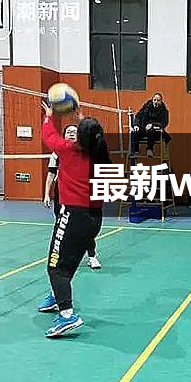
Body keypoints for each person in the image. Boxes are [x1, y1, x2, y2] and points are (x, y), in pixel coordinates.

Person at [37, 102, 111, 338]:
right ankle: (56, 297)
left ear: (79, 136)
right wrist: (82, 120)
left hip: (73, 216)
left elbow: (48, 136)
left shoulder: (68, 150)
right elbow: (95, 138)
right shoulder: (101, 152)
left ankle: (67, 315)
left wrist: (49, 116)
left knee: (55, 267)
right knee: (69, 263)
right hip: (94, 218)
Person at [43, 124, 101, 270]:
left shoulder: (86, 151)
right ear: (64, 136)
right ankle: (63, 258)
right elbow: (51, 174)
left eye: (74, 132)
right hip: (62, 195)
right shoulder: (57, 153)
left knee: (85, 227)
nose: (71, 133)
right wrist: (46, 194)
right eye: (68, 132)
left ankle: (92, 256)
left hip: (82, 196)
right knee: (62, 228)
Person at [131, 92, 171, 158]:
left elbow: (164, 123)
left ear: (161, 101)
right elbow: (139, 115)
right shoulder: (147, 106)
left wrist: (152, 125)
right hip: (144, 128)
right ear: (152, 100)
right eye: (155, 100)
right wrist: (136, 125)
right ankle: (136, 150)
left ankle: (149, 149)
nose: (156, 102)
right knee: (135, 131)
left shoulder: (164, 110)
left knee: (152, 131)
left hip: (155, 131)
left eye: (158, 100)